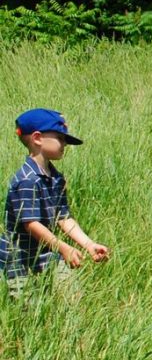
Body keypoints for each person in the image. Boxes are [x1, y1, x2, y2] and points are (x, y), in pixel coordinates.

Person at [6, 108, 109, 306]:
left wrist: (88, 244)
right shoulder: (27, 181)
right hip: (19, 260)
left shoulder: (56, 178)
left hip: (47, 254)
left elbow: (64, 218)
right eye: (60, 138)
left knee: (74, 299)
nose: (64, 144)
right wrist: (63, 248)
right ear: (37, 138)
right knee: (28, 310)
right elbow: (31, 224)